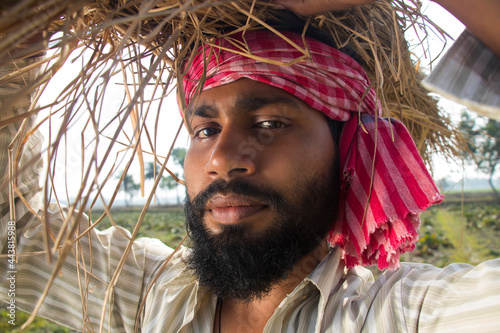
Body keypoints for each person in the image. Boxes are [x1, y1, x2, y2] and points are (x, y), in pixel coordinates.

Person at [1, 1, 499, 332]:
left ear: (350, 152)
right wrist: (19, 34)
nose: (220, 159)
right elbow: (8, 242)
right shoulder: (150, 297)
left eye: (270, 123)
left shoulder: (406, 316)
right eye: (205, 130)